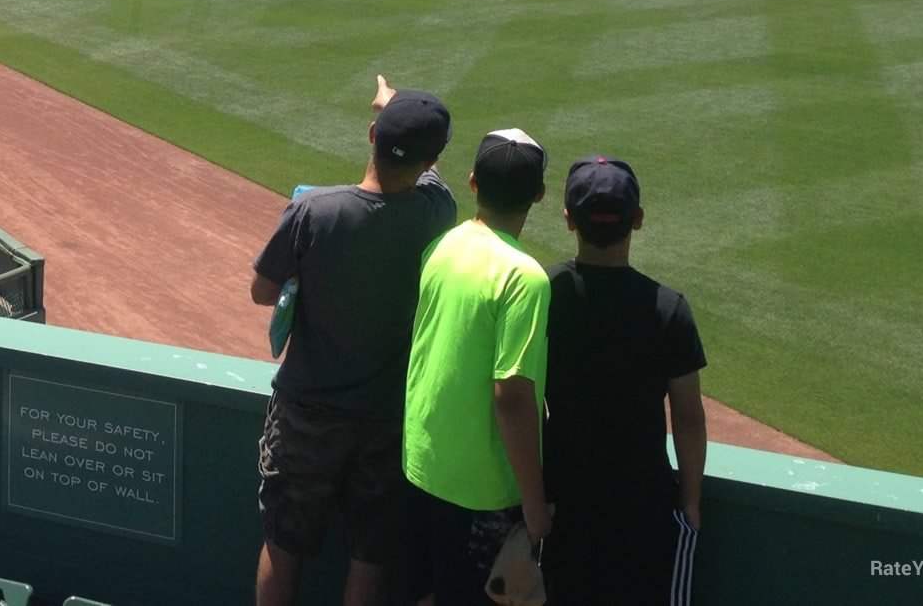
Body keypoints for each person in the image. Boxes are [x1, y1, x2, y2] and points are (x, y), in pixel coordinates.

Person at [250, 78, 458, 606]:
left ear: (370, 134)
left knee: (284, 543)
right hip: (388, 419)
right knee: (371, 556)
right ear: (432, 158)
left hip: (306, 412)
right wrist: (398, 115)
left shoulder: (313, 211)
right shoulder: (438, 211)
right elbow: (431, 176)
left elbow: (261, 291)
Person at [542, 157, 706, 606]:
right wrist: (690, 504)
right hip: (642, 503)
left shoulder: (542, 292)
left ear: (569, 219)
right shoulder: (669, 308)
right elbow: (688, 418)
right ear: (638, 219)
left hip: (562, 496)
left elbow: (520, 395)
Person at [402, 128, 552, 606]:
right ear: (539, 194)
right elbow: (511, 397)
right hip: (482, 490)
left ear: (472, 182)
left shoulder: (441, 246)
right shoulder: (525, 278)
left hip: (421, 466)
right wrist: (534, 503)